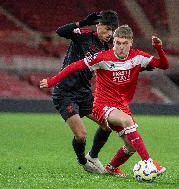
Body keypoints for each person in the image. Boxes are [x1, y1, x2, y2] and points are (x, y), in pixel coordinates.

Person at [40, 25, 168, 177]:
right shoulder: (102, 57)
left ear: (131, 42)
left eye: (124, 43)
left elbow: (164, 65)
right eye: (118, 43)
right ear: (113, 42)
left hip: (121, 107)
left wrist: (159, 48)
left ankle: (111, 168)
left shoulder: (138, 57)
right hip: (102, 106)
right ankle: (148, 162)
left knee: (131, 146)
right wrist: (51, 81)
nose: (121, 47)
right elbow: (74, 66)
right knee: (127, 121)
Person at [50, 10, 119, 173]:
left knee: (107, 125)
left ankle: (92, 156)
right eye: (107, 29)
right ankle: (82, 161)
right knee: (81, 135)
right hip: (65, 93)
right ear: (98, 25)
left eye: (112, 30)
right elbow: (60, 31)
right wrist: (81, 22)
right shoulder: (84, 34)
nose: (109, 34)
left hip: (84, 93)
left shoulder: (105, 48)